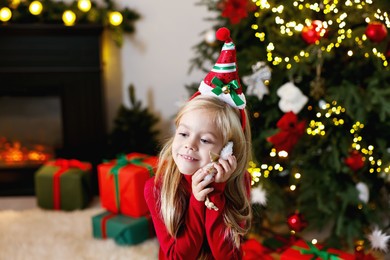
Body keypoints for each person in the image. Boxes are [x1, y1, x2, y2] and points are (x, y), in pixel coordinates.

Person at [144, 27, 253, 259]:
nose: (190, 145)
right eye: (183, 134)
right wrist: (197, 200)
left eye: (204, 139)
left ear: (228, 150)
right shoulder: (157, 187)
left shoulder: (240, 181)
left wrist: (216, 194)